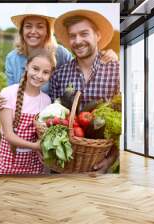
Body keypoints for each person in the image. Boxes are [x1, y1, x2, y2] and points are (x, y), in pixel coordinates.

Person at [0, 10, 119, 109]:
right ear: (21, 30)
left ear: (47, 31)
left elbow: (83, 59)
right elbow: (12, 93)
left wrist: (109, 55)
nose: (33, 31)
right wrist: (2, 100)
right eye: (28, 26)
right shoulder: (13, 58)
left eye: (40, 26)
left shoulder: (60, 53)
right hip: (25, 117)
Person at [50, 9, 120, 173]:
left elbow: (123, 125)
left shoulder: (116, 71)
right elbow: (52, 118)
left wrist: (111, 160)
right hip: (62, 162)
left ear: (97, 35)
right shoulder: (59, 75)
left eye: (84, 34)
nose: (78, 40)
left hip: (99, 164)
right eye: (73, 36)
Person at [0, 49, 56, 174]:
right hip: (8, 163)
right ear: (27, 66)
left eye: (45, 72)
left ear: (50, 75)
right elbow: (9, 136)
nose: (39, 75)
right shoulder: (8, 94)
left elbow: (41, 135)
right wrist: (36, 146)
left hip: (33, 166)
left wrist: (43, 152)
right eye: (35, 69)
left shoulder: (46, 101)